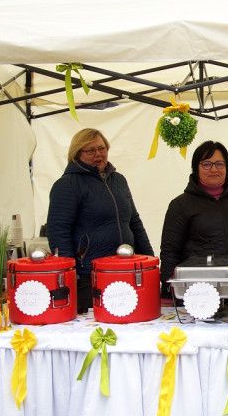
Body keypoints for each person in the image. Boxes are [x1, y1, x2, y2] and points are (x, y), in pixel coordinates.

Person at [46, 128, 154, 313]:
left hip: (127, 269)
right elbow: (58, 232)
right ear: (77, 154)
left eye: (101, 148)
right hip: (89, 276)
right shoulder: (67, 185)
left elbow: (134, 222)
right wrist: (71, 274)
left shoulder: (119, 180)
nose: (98, 154)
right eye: (90, 151)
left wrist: (149, 260)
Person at [159, 140, 228, 292]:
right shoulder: (180, 205)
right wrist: (169, 290)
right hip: (201, 290)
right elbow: (170, 251)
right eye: (206, 164)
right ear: (196, 168)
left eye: (219, 164)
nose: (213, 169)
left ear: (227, 168)